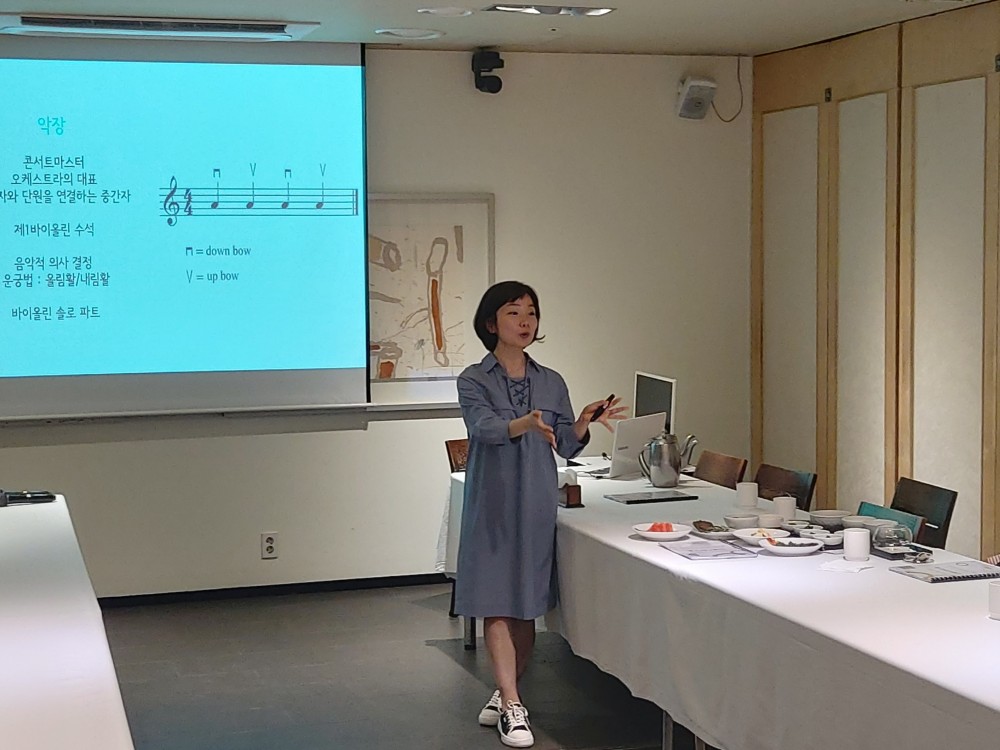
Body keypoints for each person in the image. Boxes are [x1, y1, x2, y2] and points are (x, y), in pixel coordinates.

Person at [454, 280, 625, 748]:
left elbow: (567, 445)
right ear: (491, 323)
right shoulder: (473, 379)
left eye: (531, 312)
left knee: (526, 604)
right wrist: (523, 423)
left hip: (534, 502)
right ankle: (512, 704)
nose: (525, 321)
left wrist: (584, 422)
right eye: (513, 312)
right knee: (496, 602)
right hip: (492, 503)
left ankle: (506, 688)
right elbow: (484, 428)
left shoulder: (551, 381)